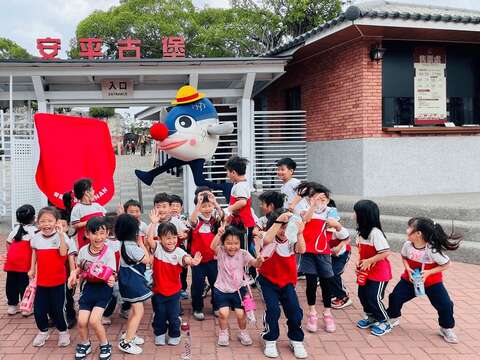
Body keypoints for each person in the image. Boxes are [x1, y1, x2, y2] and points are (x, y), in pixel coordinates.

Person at [386, 217, 461, 343]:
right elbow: (404, 257)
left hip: (433, 283)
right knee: (395, 297)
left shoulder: (432, 250)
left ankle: (446, 328)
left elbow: (447, 264)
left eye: (409, 228)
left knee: (446, 305)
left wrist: (429, 272)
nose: (406, 230)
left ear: (418, 233)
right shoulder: (407, 245)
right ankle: (393, 317)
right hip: (409, 281)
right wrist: (407, 268)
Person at [295, 182, 349, 333]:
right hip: (308, 252)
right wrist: (313, 205)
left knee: (326, 282)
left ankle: (327, 313)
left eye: (324, 198)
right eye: (317, 198)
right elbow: (306, 219)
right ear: (310, 199)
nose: (321, 201)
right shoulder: (305, 210)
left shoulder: (331, 211)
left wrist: (336, 224)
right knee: (311, 282)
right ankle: (312, 313)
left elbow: (337, 228)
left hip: (324, 252)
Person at [257, 210, 307, 359]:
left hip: (287, 282)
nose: (284, 231)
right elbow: (266, 240)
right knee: (273, 310)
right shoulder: (267, 236)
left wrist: (299, 233)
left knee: (294, 311)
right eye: (281, 227)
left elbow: (302, 250)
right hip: (268, 281)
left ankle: (296, 339)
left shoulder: (291, 240)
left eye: (287, 227)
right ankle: (270, 339)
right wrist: (279, 221)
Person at [146, 220, 202, 346]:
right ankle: (159, 334)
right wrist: (153, 223)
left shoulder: (178, 252)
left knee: (173, 316)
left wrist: (192, 261)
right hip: (158, 291)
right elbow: (149, 239)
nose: (171, 241)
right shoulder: (158, 248)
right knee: (159, 315)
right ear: (160, 239)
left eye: (174, 237)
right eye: (167, 238)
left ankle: (174, 334)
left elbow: (186, 258)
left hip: (174, 292)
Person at [68, 217, 116, 360]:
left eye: (102, 233)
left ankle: (105, 344)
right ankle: (85, 343)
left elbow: (112, 272)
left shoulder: (109, 251)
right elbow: (78, 269)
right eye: (94, 233)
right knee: (82, 321)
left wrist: (112, 278)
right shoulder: (83, 250)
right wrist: (73, 275)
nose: (98, 237)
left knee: (94, 321)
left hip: (103, 289)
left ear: (107, 233)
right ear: (87, 234)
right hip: (88, 289)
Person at [211, 225, 264, 346]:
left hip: (239, 290)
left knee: (241, 314)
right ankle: (223, 333)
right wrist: (219, 234)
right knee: (223, 313)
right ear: (223, 243)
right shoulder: (221, 252)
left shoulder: (243, 253)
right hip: (221, 289)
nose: (232, 246)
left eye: (236, 243)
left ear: (240, 243)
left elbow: (255, 264)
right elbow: (212, 246)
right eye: (229, 243)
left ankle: (243, 332)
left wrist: (259, 260)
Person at [28, 207, 72, 347]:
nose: (46, 224)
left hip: (58, 282)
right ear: (37, 223)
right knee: (39, 309)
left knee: (58, 309)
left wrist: (60, 235)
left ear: (56, 222)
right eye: (43, 221)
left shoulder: (62, 237)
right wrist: (32, 268)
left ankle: (63, 332)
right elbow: (34, 253)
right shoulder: (36, 237)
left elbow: (63, 254)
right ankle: (43, 332)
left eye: (49, 221)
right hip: (42, 282)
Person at [354, 200, 393, 335]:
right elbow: (362, 252)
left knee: (373, 297)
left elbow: (386, 252)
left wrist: (369, 261)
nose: (354, 215)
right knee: (362, 295)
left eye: (356, 212)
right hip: (366, 271)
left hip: (379, 272)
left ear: (363, 215)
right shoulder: (360, 232)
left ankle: (384, 321)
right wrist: (359, 264)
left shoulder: (375, 233)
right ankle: (371, 317)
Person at [116, 214, 152, 355]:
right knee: (139, 311)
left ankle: (129, 333)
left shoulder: (121, 243)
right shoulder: (132, 247)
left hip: (126, 278)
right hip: (133, 281)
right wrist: (142, 244)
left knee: (134, 308)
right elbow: (147, 260)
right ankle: (126, 342)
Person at [189, 189, 223, 321]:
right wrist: (198, 204)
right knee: (198, 284)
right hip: (198, 260)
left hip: (213, 258)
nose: (207, 209)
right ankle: (197, 308)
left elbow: (224, 217)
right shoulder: (197, 220)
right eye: (204, 206)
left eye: (209, 206)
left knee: (216, 283)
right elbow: (192, 220)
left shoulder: (215, 220)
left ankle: (216, 306)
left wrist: (215, 202)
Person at [225, 156, 256, 279]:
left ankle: (249, 276)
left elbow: (242, 202)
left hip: (244, 224)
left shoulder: (240, 186)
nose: (227, 174)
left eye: (228, 172)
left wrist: (228, 209)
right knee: (241, 248)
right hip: (239, 223)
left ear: (233, 172)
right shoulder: (240, 184)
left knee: (244, 250)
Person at [4, 204, 36, 316]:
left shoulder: (16, 228)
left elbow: (8, 242)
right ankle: (25, 308)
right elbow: (36, 247)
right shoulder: (34, 230)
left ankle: (12, 306)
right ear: (33, 217)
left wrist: (11, 255)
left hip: (12, 262)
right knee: (24, 284)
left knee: (11, 284)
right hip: (24, 263)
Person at [65, 178, 106, 249]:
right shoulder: (77, 208)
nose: (94, 191)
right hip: (86, 244)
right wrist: (89, 222)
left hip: (101, 242)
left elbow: (106, 219)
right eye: (92, 189)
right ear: (86, 192)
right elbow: (75, 225)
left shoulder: (97, 206)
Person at [327, 198, 352, 310]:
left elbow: (347, 237)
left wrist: (339, 247)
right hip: (330, 254)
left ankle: (343, 296)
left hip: (342, 254)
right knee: (327, 273)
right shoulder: (319, 222)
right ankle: (334, 292)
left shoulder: (335, 224)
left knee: (334, 273)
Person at [169, 194, 190, 299]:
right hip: (169, 247)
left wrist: (185, 234)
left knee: (183, 269)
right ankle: (173, 287)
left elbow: (188, 231)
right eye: (172, 205)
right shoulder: (166, 219)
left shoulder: (183, 218)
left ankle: (182, 288)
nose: (174, 208)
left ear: (181, 208)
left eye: (177, 206)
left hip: (181, 246)